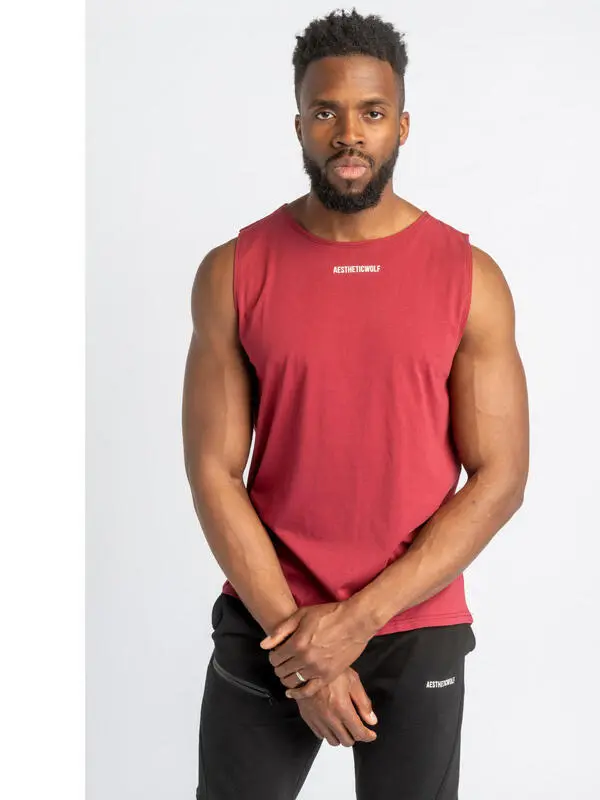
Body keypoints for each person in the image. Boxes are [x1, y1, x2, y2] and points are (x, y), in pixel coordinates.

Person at [181, 9, 529, 799]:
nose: (349, 134)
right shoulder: (234, 270)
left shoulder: (469, 276)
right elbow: (212, 473)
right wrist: (303, 653)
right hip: (272, 618)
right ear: (298, 124)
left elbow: (501, 479)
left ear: (401, 125)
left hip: (415, 620)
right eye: (325, 112)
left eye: (371, 113)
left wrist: (354, 623)